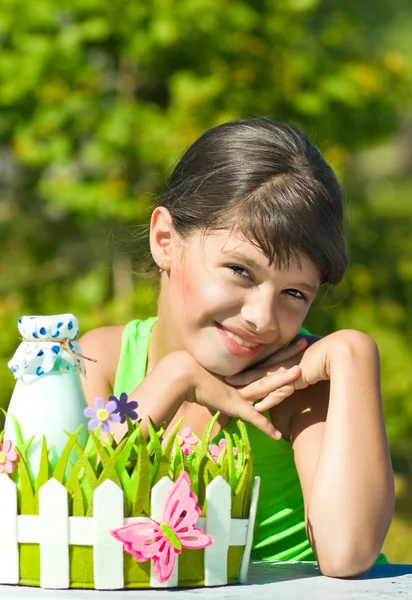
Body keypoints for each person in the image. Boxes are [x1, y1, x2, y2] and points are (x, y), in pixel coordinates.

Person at [79, 117, 394, 578]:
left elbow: (347, 553)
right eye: (241, 271)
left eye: (294, 294)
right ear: (165, 240)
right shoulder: (102, 361)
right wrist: (174, 378)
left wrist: (354, 354)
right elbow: (72, 509)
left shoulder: (298, 387)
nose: (261, 319)